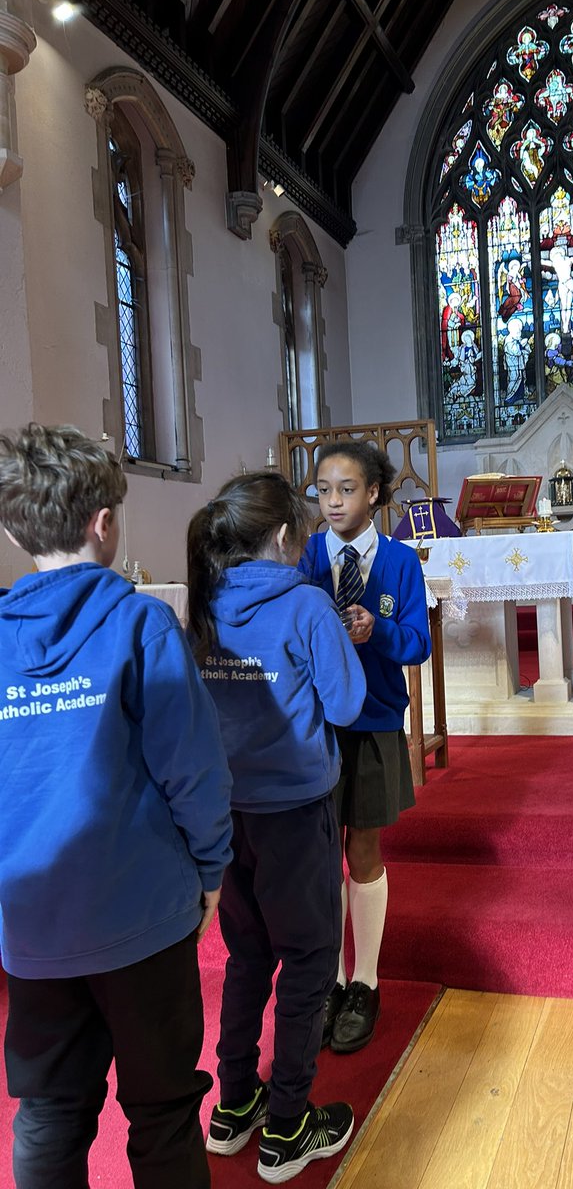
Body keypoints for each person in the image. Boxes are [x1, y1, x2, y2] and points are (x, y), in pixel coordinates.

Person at [0, 422, 233, 1189]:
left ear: (11, 527)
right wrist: (210, 867)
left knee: (47, 1113)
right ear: (106, 525)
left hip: (32, 921)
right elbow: (191, 766)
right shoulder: (140, 623)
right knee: (163, 1110)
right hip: (140, 916)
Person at [186, 471, 366, 1184]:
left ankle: (234, 1105)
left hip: (228, 815)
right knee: (312, 961)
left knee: (249, 954)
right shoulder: (304, 603)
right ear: (289, 536)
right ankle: (289, 1124)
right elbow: (347, 705)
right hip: (295, 811)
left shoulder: (204, 602)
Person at [299, 441, 431, 1055]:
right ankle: (326, 979)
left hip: (375, 720)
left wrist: (376, 630)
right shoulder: (307, 556)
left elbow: (417, 644)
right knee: (322, 853)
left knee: (363, 849)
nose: (332, 501)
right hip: (317, 724)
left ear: (374, 493)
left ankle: (366, 982)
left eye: (346, 489)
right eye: (322, 489)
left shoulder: (401, 563)